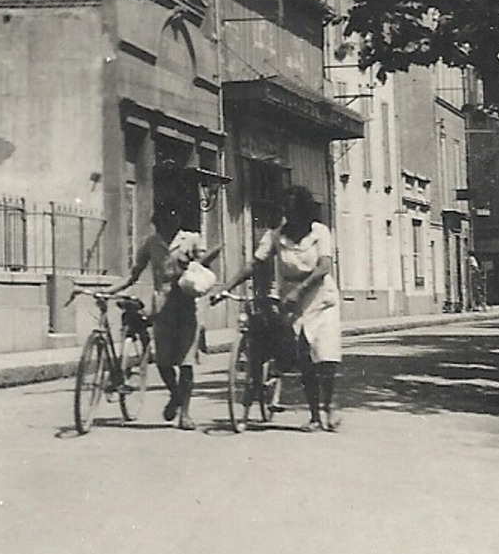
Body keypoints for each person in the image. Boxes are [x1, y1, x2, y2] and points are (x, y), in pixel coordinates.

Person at [216, 185, 343, 432]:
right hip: (294, 304)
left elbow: (324, 267)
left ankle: (329, 405)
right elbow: (254, 264)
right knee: (305, 357)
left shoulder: (320, 232)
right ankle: (315, 416)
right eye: (286, 210)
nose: (289, 216)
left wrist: (299, 290)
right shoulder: (275, 236)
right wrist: (226, 287)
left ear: (305, 212)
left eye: (294, 211)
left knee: (326, 357)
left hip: (321, 298)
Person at [104, 203, 216, 430]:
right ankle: (175, 395)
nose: (170, 222)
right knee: (164, 362)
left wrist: (194, 265)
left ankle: (185, 413)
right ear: (159, 221)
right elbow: (133, 275)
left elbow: (204, 265)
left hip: (187, 306)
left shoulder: (191, 239)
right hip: (162, 307)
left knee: (185, 363)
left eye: (174, 217)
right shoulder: (151, 243)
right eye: (165, 219)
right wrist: (109, 291)